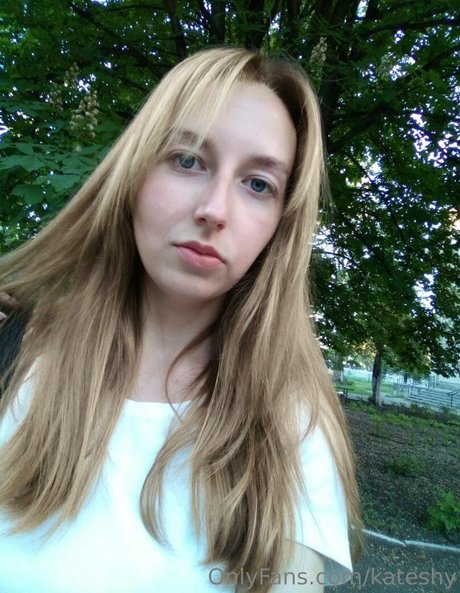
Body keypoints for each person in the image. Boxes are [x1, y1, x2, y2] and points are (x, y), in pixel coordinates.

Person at [0, 47, 361, 592]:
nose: (214, 210)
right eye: (188, 160)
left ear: (279, 227)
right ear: (135, 173)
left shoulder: (292, 428)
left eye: (258, 184)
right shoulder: (16, 355)